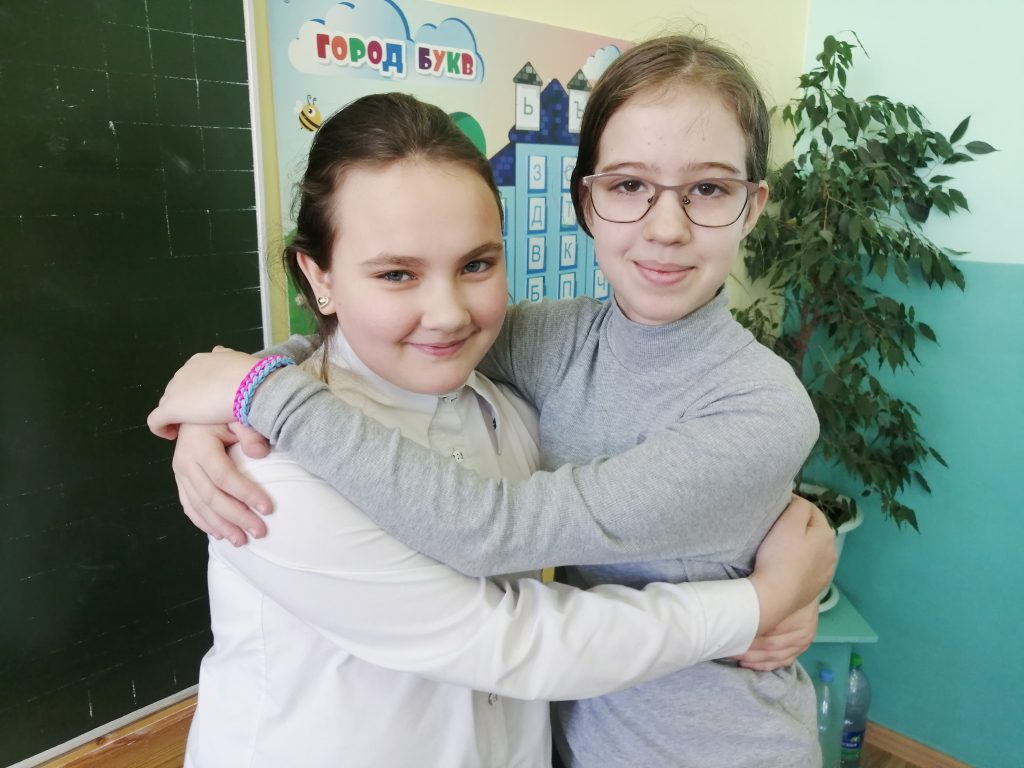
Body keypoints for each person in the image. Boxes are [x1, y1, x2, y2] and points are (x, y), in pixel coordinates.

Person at [150, 36, 834, 768]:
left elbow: (501, 532)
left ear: (753, 205)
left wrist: (257, 392)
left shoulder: (759, 405)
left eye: (710, 189)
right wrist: (238, 389)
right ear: (587, 199)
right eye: (629, 185)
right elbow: (377, 344)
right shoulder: (548, 344)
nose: (666, 228)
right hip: (573, 740)